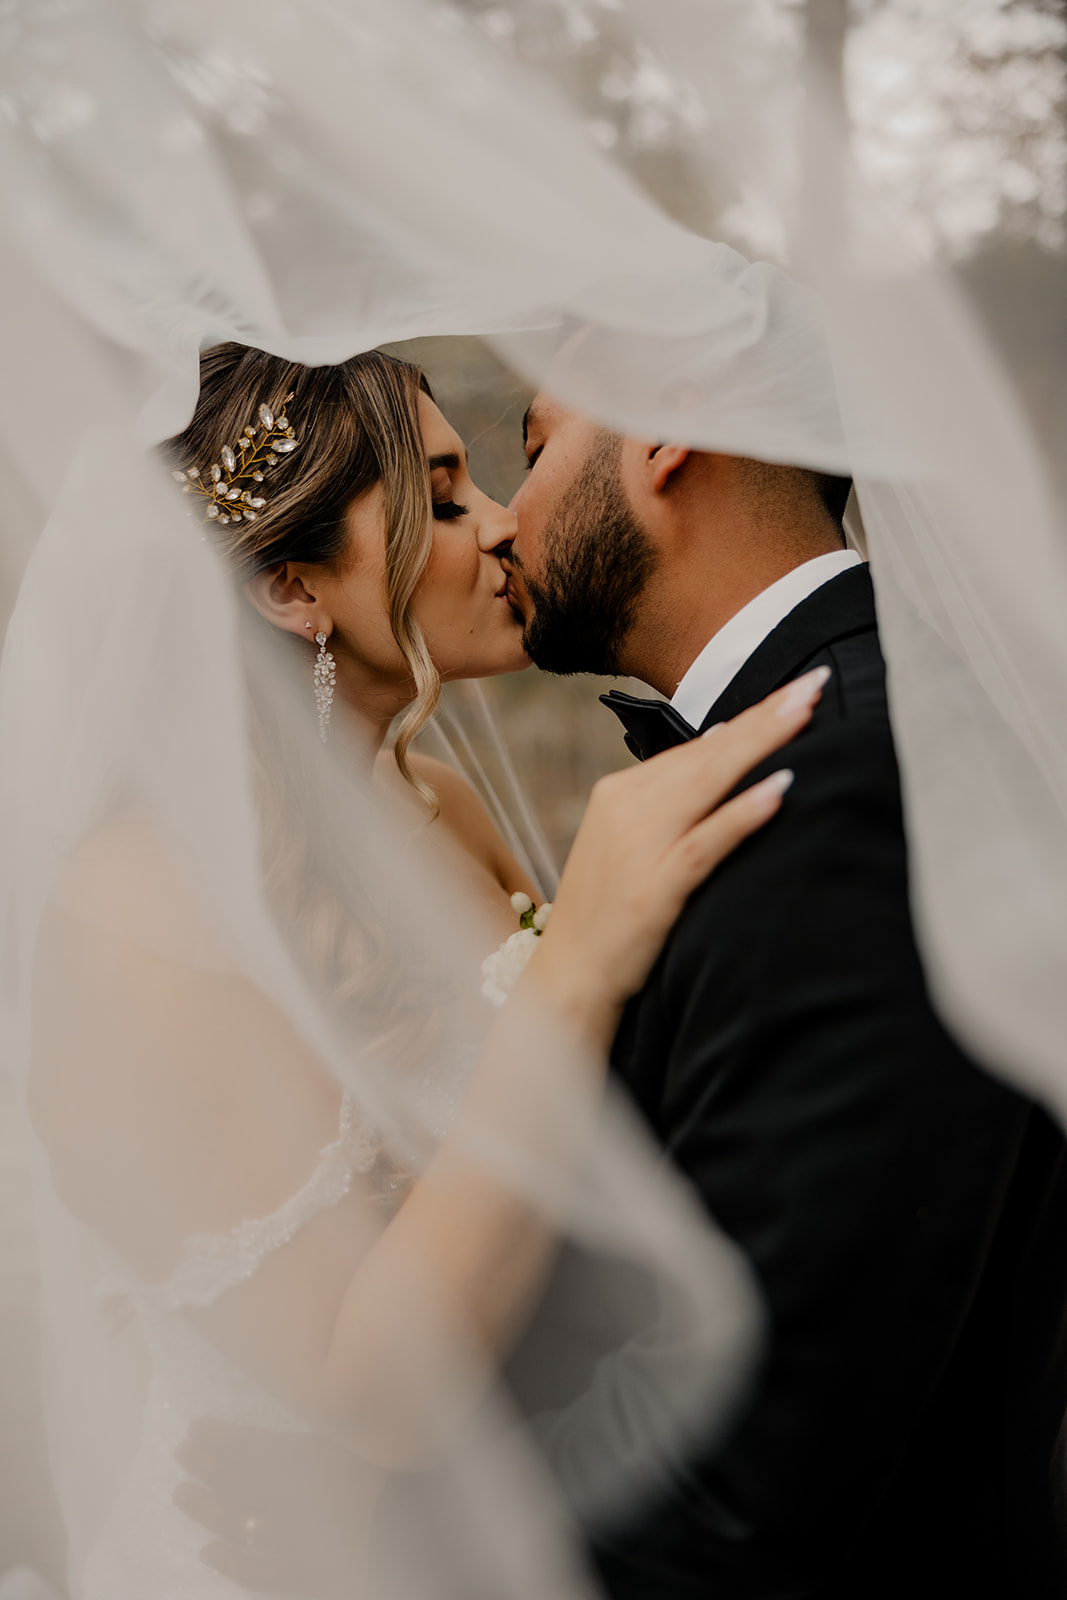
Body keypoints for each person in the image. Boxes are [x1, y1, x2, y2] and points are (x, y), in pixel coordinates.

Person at [26, 344, 816, 1600]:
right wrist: (574, 965)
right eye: (444, 499)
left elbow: (570, 1146)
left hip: (498, 1508)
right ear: (293, 588)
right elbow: (357, 1388)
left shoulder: (433, 802)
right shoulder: (139, 908)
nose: (504, 526)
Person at [501, 392, 1067, 1598]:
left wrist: (397, 1528)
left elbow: (750, 1452)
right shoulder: (836, 728)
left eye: (534, 449)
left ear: (662, 434)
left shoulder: (847, 781)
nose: (506, 521)